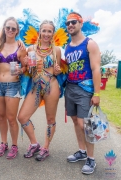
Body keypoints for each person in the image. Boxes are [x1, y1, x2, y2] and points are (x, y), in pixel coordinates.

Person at [18, 20, 62, 161]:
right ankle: (34, 143)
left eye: (50, 31)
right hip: (35, 87)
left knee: (50, 119)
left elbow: (57, 71)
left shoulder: (56, 50)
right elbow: (28, 70)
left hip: (51, 87)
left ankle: (46, 148)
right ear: (40, 31)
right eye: (44, 30)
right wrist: (26, 65)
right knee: (22, 117)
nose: (47, 34)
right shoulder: (31, 49)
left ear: (53, 33)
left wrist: (57, 70)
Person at [64, 12, 101, 174]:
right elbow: (69, 68)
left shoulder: (90, 43)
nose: (70, 25)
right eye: (68, 23)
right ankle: (82, 152)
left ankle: (91, 159)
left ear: (80, 23)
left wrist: (97, 93)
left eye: (73, 22)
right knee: (74, 121)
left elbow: (96, 68)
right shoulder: (67, 46)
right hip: (70, 88)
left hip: (85, 89)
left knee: (85, 124)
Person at [0, 17, 27, 159]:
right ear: (4, 28)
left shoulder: (20, 48)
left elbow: (26, 66)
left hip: (13, 85)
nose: (10, 30)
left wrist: (21, 70)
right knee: (1, 117)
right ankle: (3, 143)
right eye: (8, 28)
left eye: (13, 28)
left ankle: (14, 145)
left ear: (17, 30)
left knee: (11, 118)